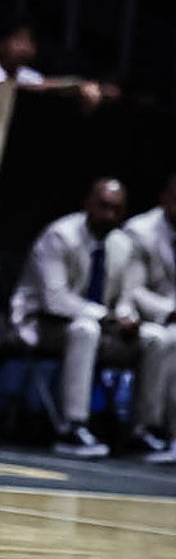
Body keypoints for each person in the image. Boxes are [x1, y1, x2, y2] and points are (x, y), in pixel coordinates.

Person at [9, 179, 176, 458]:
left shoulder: (122, 245)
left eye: (116, 209)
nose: (108, 215)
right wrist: (108, 318)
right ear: (87, 203)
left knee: (156, 338)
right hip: (41, 325)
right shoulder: (60, 236)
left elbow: (125, 297)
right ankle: (72, 426)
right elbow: (55, 300)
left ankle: (142, 431)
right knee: (85, 329)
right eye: (103, 206)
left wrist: (126, 318)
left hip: (99, 330)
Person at [120, 174, 176, 462]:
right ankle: (150, 429)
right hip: (140, 316)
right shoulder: (141, 231)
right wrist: (169, 310)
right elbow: (133, 290)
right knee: (168, 340)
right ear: (166, 198)